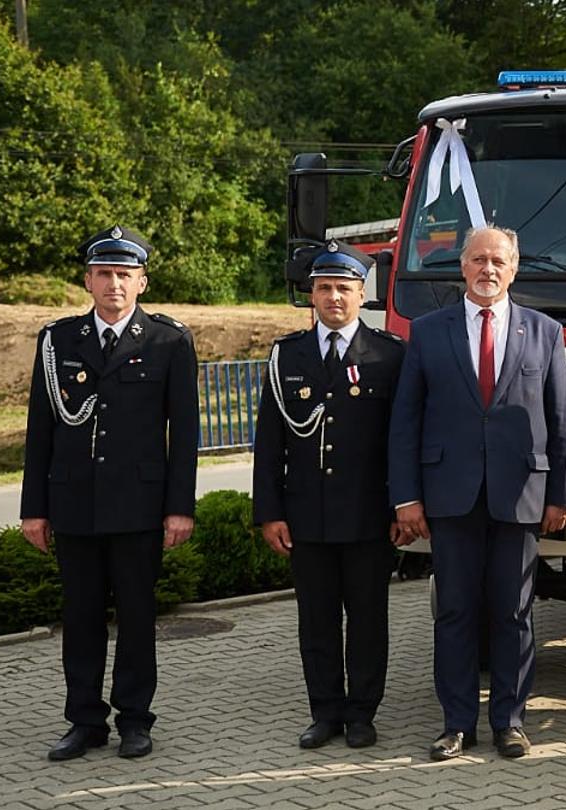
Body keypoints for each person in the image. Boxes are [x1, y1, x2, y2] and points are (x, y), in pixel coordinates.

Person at [388, 225, 566, 761]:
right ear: (462, 267)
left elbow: (561, 420)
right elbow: (406, 421)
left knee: (514, 613)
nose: (488, 269)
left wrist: (561, 495)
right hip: (450, 496)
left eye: (498, 260)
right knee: (454, 612)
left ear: (514, 267)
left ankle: (511, 722)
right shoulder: (428, 332)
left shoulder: (545, 332)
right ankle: (456, 723)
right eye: (478, 260)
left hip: (520, 496)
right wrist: (406, 497)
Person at [21, 225, 197, 761]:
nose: (114, 284)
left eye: (124, 274)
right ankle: (84, 721)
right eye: (104, 274)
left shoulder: (169, 341)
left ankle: (136, 720)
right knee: (80, 618)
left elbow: (184, 433)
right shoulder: (57, 341)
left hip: (139, 507)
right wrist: (34, 509)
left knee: (139, 619)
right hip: (74, 502)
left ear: (141, 282)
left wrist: (179, 507)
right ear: (88, 280)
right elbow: (40, 430)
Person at [252, 242, 406, 751]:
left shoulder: (388, 354)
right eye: (324, 288)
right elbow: (269, 442)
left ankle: (362, 713)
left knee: (367, 621)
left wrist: (403, 506)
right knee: (315, 621)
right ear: (311, 295)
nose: (334, 297)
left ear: (363, 294)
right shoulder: (287, 355)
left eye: (344, 288)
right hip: (306, 515)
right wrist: (269, 512)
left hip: (368, 516)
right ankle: (325, 712)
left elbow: (401, 442)